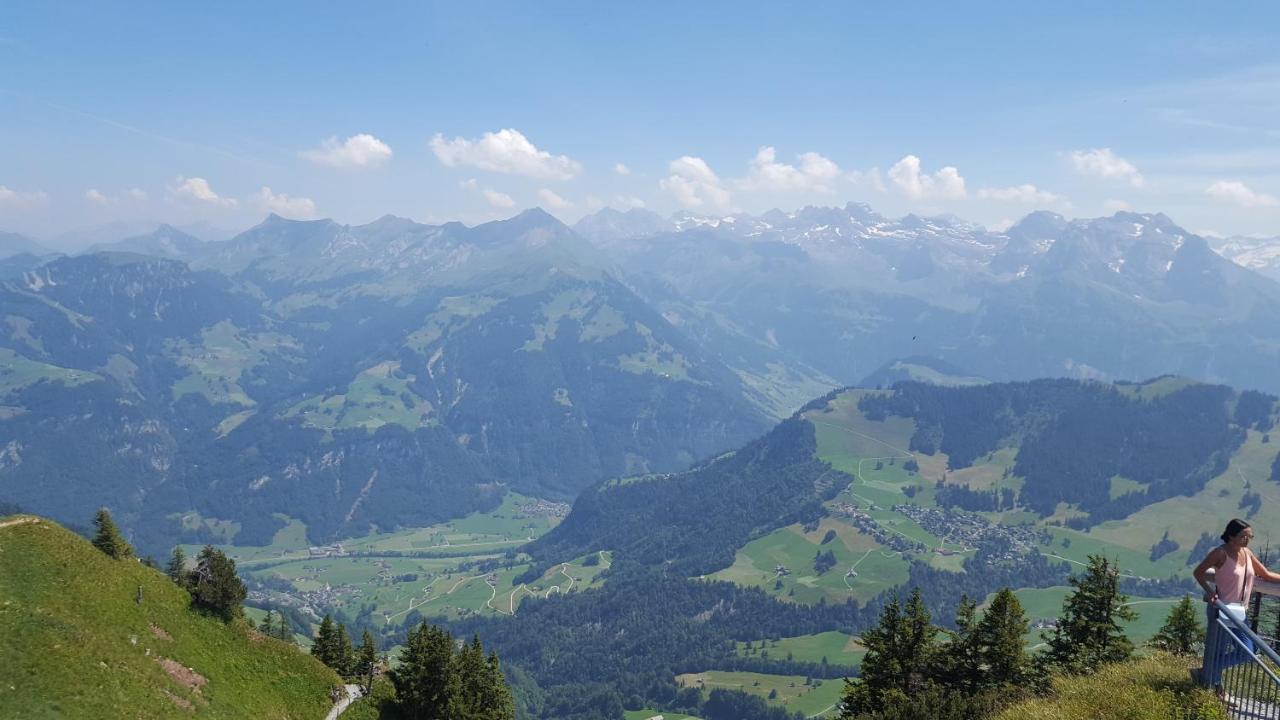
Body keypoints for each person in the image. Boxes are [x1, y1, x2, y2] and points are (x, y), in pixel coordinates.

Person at [1192, 519, 1280, 694]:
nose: (1247, 540)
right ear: (1231, 536)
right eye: (1244, 536)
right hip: (1222, 611)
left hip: (1239, 612)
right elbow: (1199, 572)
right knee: (1224, 651)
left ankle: (1205, 672)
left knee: (1247, 651)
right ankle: (1214, 689)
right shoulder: (1220, 553)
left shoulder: (1246, 553)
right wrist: (1210, 592)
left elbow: (1265, 574)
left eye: (1250, 536)